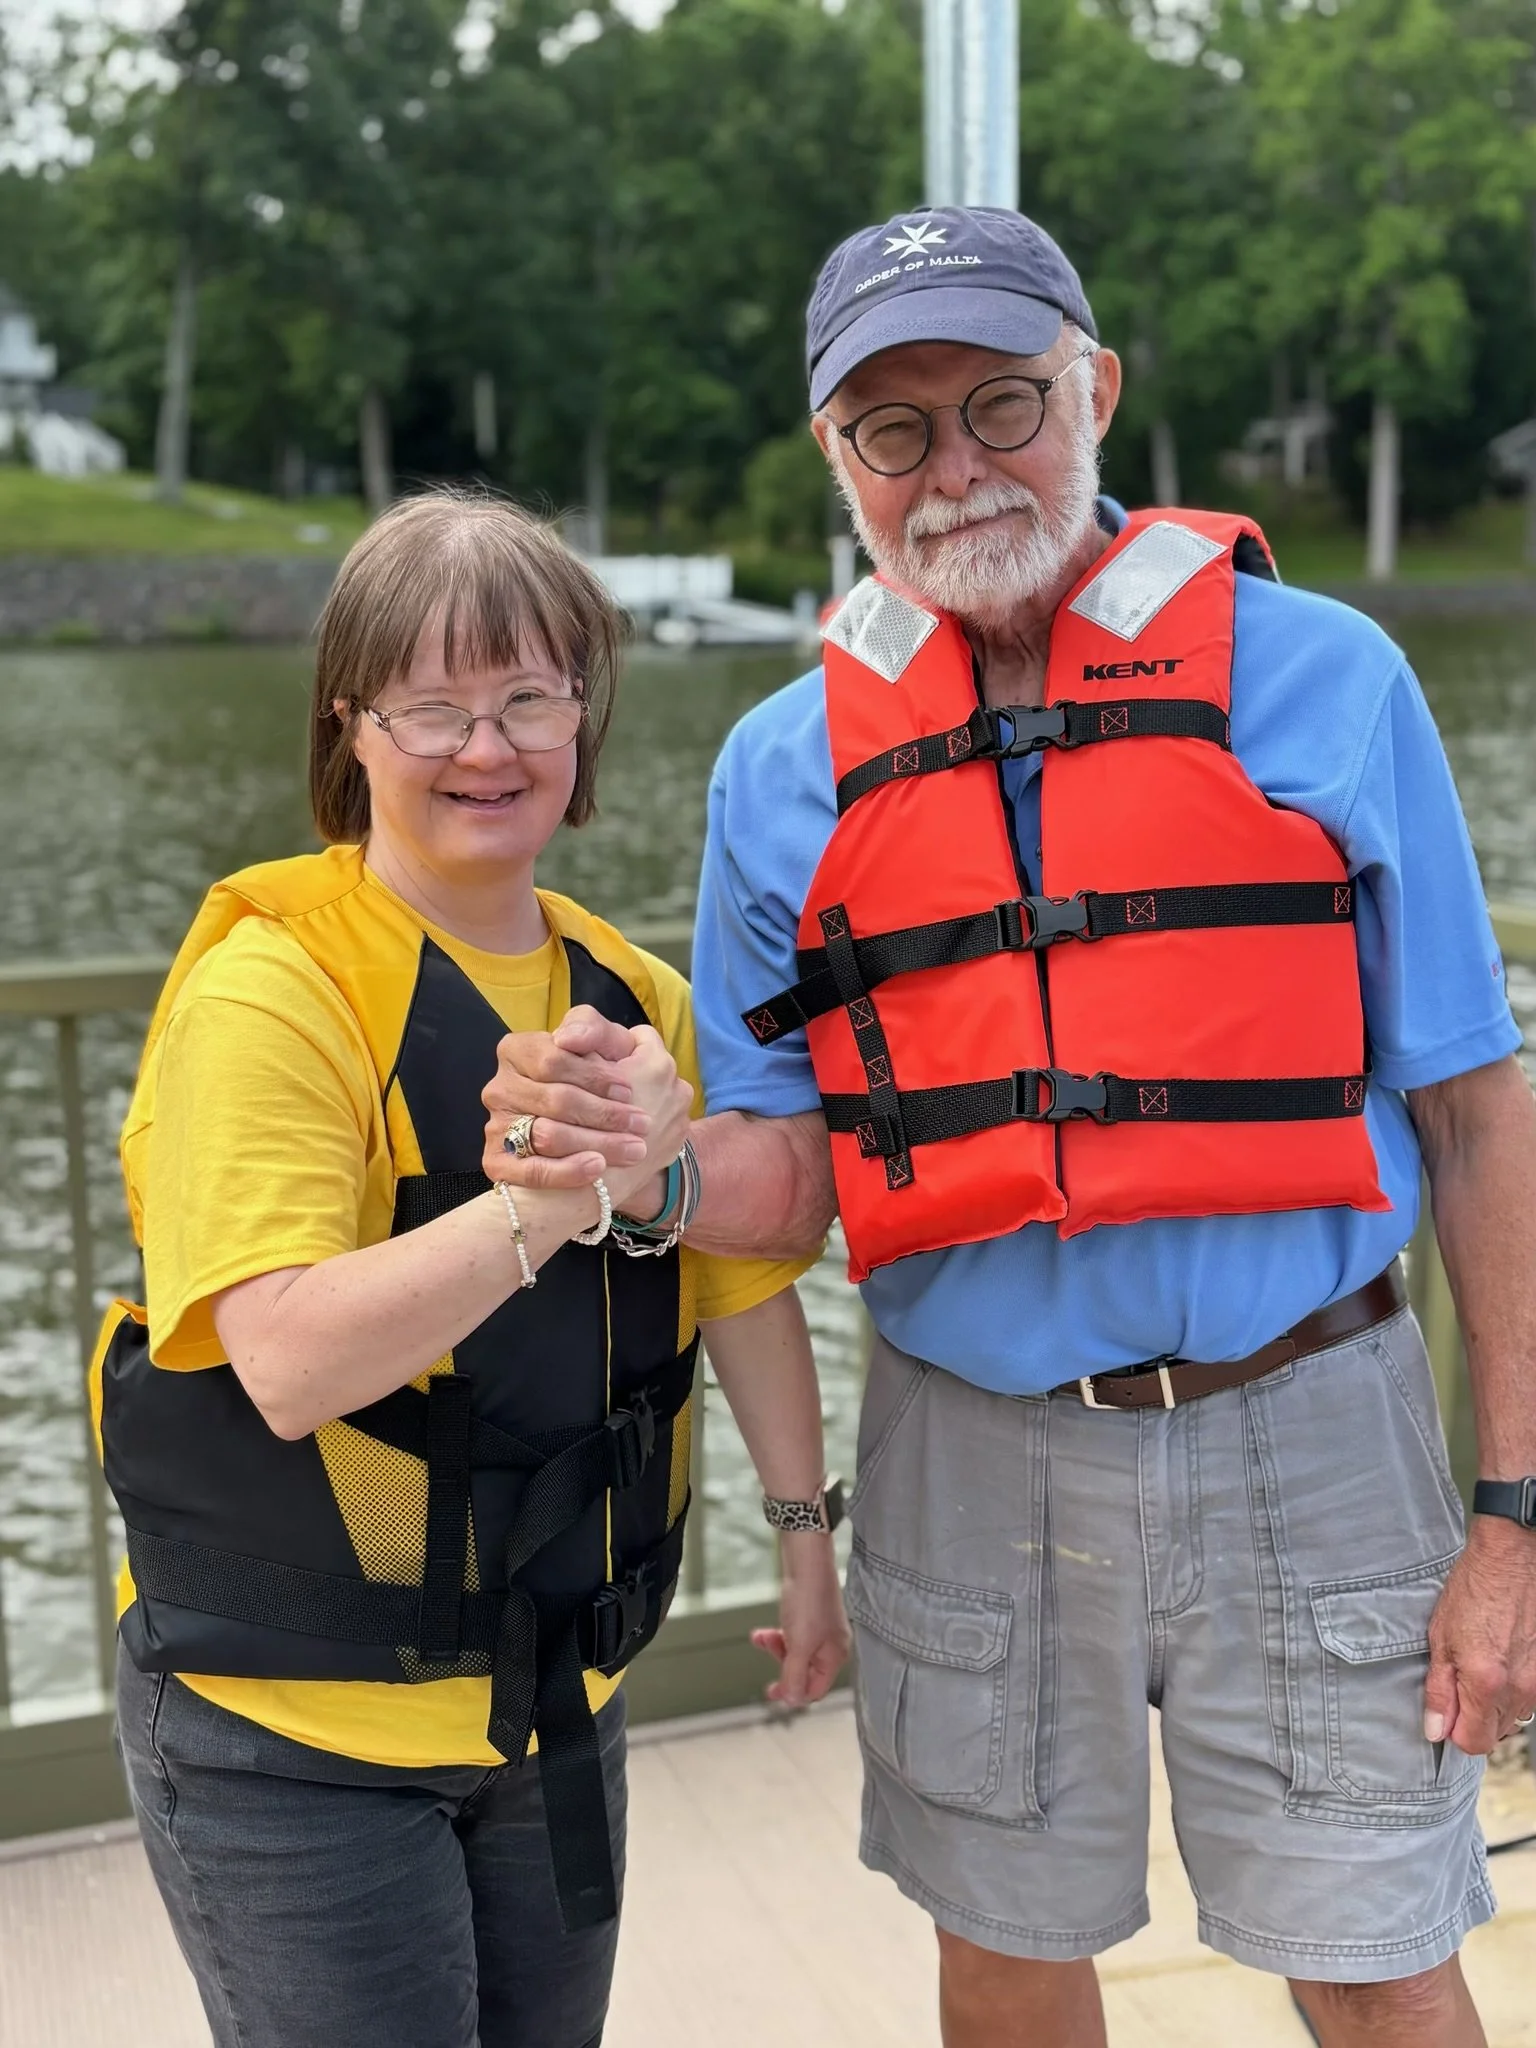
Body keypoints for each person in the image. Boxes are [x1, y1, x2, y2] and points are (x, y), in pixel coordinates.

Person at [481, 208, 1536, 2048]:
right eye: (893, 431)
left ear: (1097, 392)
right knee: (1003, 1960)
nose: (955, 469)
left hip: (1317, 1418)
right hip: (972, 1450)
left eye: (1001, 405)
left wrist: (1516, 1517)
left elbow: (1473, 1108)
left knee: (1377, 1965)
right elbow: (789, 1171)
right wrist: (648, 1164)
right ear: (836, 460)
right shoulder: (779, 769)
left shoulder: (1335, 678)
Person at [89, 487, 848, 2048]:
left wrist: (805, 1537)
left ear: (584, 720)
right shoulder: (274, 992)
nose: (486, 749)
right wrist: (554, 1201)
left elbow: (742, 1291)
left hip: (553, 1696)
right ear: (350, 730)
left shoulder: (634, 993)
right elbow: (288, 1363)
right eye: (433, 706)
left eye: (529, 698)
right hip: (284, 1732)